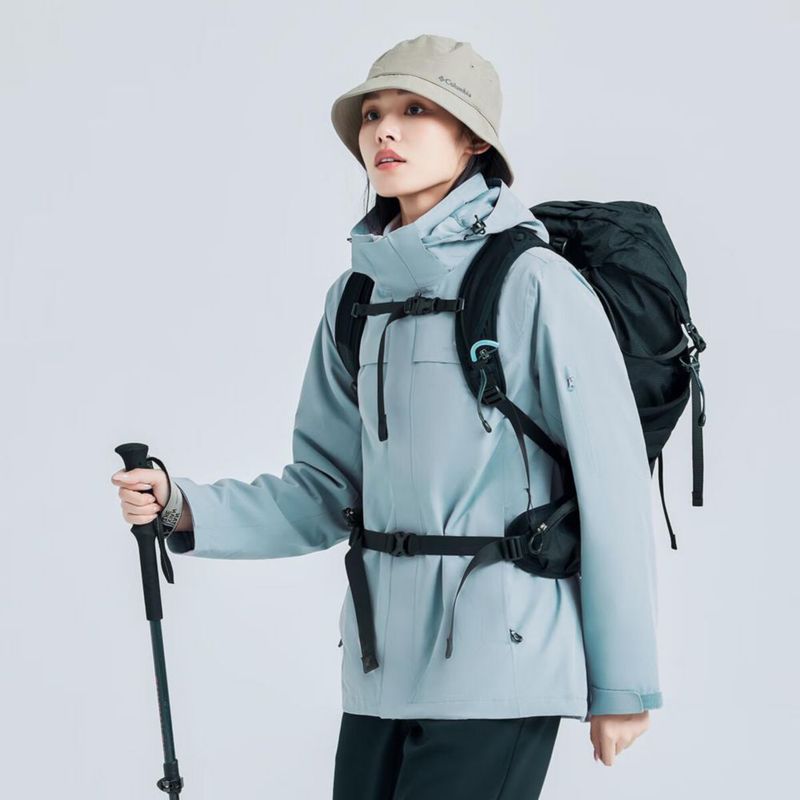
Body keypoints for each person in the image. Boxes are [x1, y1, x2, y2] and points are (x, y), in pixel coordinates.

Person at [111, 34, 662, 798]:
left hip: (501, 666)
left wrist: (622, 685)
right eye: (372, 114)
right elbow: (325, 490)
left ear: (473, 141)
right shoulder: (357, 298)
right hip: (379, 676)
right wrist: (183, 505)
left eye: (416, 110)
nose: (385, 131)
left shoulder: (536, 284)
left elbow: (615, 488)